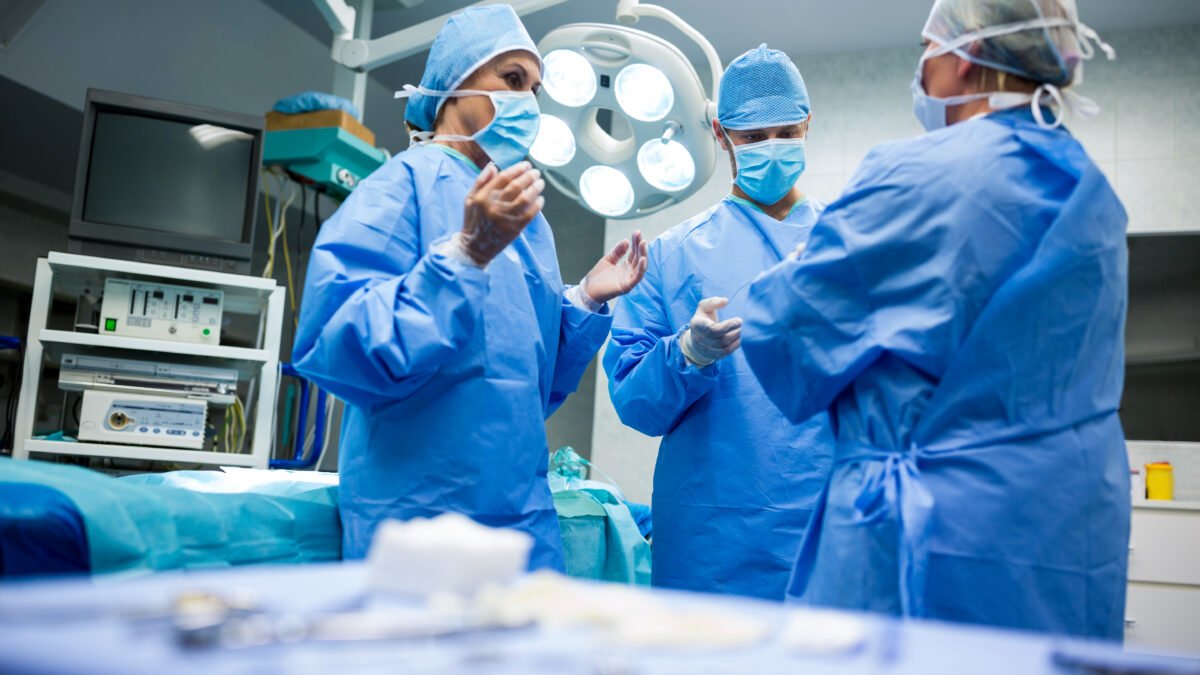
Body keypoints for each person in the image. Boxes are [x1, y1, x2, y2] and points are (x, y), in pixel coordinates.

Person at [740, 0, 1128, 639]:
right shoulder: (1090, 187)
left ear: (965, 57)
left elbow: (786, 337)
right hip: (1066, 519)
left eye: (929, 46)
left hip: (936, 530)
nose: (922, 65)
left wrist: (789, 276)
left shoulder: (917, 173)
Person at [292, 4, 648, 570]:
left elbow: (526, 383)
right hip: (416, 518)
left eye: (534, 88)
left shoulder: (528, 226)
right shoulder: (397, 189)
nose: (527, 102)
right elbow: (339, 349)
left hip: (521, 518)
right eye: (511, 80)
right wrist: (462, 256)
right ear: (455, 86)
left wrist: (584, 301)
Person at [603, 45, 834, 601]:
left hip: (825, 527)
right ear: (721, 134)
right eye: (753, 138)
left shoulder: (845, 248)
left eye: (785, 132)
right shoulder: (672, 254)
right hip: (711, 543)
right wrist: (686, 355)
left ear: (808, 124)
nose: (770, 149)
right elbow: (636, 406)